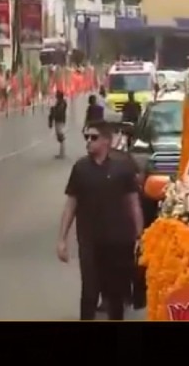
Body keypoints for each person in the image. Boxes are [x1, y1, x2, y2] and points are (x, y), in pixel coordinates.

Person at [57, 122, 145, 320]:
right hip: (89, 240)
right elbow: (71, 205)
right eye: (86, 137)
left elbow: (133, 204)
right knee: (89, 292)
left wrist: (140, 236)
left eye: (94, 137)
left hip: (118, 241)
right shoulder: (80, 168)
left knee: (115, 295)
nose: (88, 141)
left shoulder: (123, 168)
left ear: (107, 141)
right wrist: (62, 240)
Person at [48, 91, 68, 158]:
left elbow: (58, 111)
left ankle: (62, 154)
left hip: (60, 120)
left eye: (57, 95)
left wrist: (53, 110)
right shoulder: (59, 103)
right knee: (59, 136)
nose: (56, 96)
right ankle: (61, 153)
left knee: (60, 136)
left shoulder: (62, 103)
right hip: (59, 120)